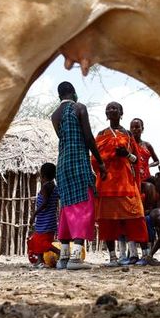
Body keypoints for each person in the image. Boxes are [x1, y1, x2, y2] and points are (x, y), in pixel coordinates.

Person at [51, 82, 107, 270]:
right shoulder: (79, 108)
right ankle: (76, 258)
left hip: (62, 165)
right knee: (84, 205)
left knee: (67, 208)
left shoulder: (54, 115)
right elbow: (88, 137)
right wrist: (99, 162)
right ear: (73, 94)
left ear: (59, 96)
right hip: (78, 162)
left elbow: (63, 138)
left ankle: (63, 258)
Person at [95, 101, 150, 266]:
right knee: (107, 220)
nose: (111, 110)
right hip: (107, 184)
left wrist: (126, 154)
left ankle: (145, 255)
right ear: (106, 114)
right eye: (108, 108)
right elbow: (95, 159)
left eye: (115, 108)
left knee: (136, 217)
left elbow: (136, 160)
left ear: (121, 113)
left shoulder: (128, 134)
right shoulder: (101, 134)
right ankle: (113, 257)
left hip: (126, 183)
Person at [27, 162, 61, 267]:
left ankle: (59, 252)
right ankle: (40, 261)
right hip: (49, 220)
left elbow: (45, 202)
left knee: (39, 241)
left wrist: (34, 214)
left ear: (43, 176)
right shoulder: (55, 187)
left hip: (45, 220)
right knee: (40, 240)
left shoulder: (46, 187)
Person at [130, 118, 158, 183]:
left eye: (137, 127)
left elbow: (156, 161)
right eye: (132, 127)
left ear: (142, 129)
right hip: (132, 175)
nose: (134, 129)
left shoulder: (147, 145)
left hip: (145, 175)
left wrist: (149, 165)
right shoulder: (128, 144)